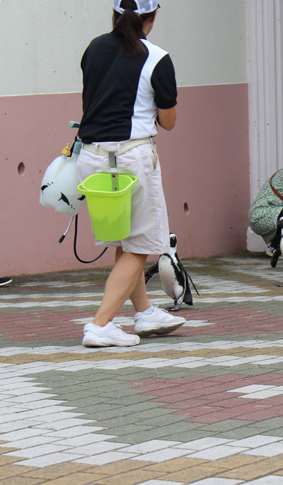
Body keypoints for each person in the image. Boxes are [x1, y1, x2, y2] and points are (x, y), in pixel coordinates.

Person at [77, 0, 185, 347]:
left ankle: (145, 312)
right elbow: (168, 122)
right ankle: (100, 325)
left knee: (126, 240)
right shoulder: (157, 58)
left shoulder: (93, 47)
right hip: (131, 157)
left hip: (92, 157)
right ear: (153, 17)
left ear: (114, 13)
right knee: (140, 245)